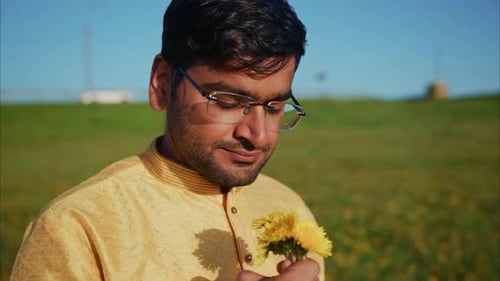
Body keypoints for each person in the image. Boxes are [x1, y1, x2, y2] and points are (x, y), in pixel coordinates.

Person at [10, 0, 325, 280]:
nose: (257, 136)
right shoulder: (76, 227)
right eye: (227, 100)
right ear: (162, 83)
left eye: (275, 106)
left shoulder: (290, 206)